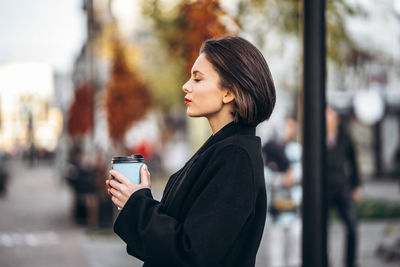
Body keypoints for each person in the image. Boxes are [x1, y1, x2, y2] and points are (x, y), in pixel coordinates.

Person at [106, 36, 276, 267]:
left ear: (229, 93)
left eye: (197, 78)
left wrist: (137, 205)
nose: (186, 85)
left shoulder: (236, 157)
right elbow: (184, 228)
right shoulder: (221, 149)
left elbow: (192, 252)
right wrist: (137, 197)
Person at [326, 107, 361, 267]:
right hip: (324, 189)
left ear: (337, 120)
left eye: (331, 118)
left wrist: (356, 186)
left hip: (342, 187)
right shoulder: (317, 136)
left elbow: (354, 162)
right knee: (322, 228)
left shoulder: (345, 137)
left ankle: (350, 262)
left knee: (352, 226)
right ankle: (323, 261)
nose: (328, 121)